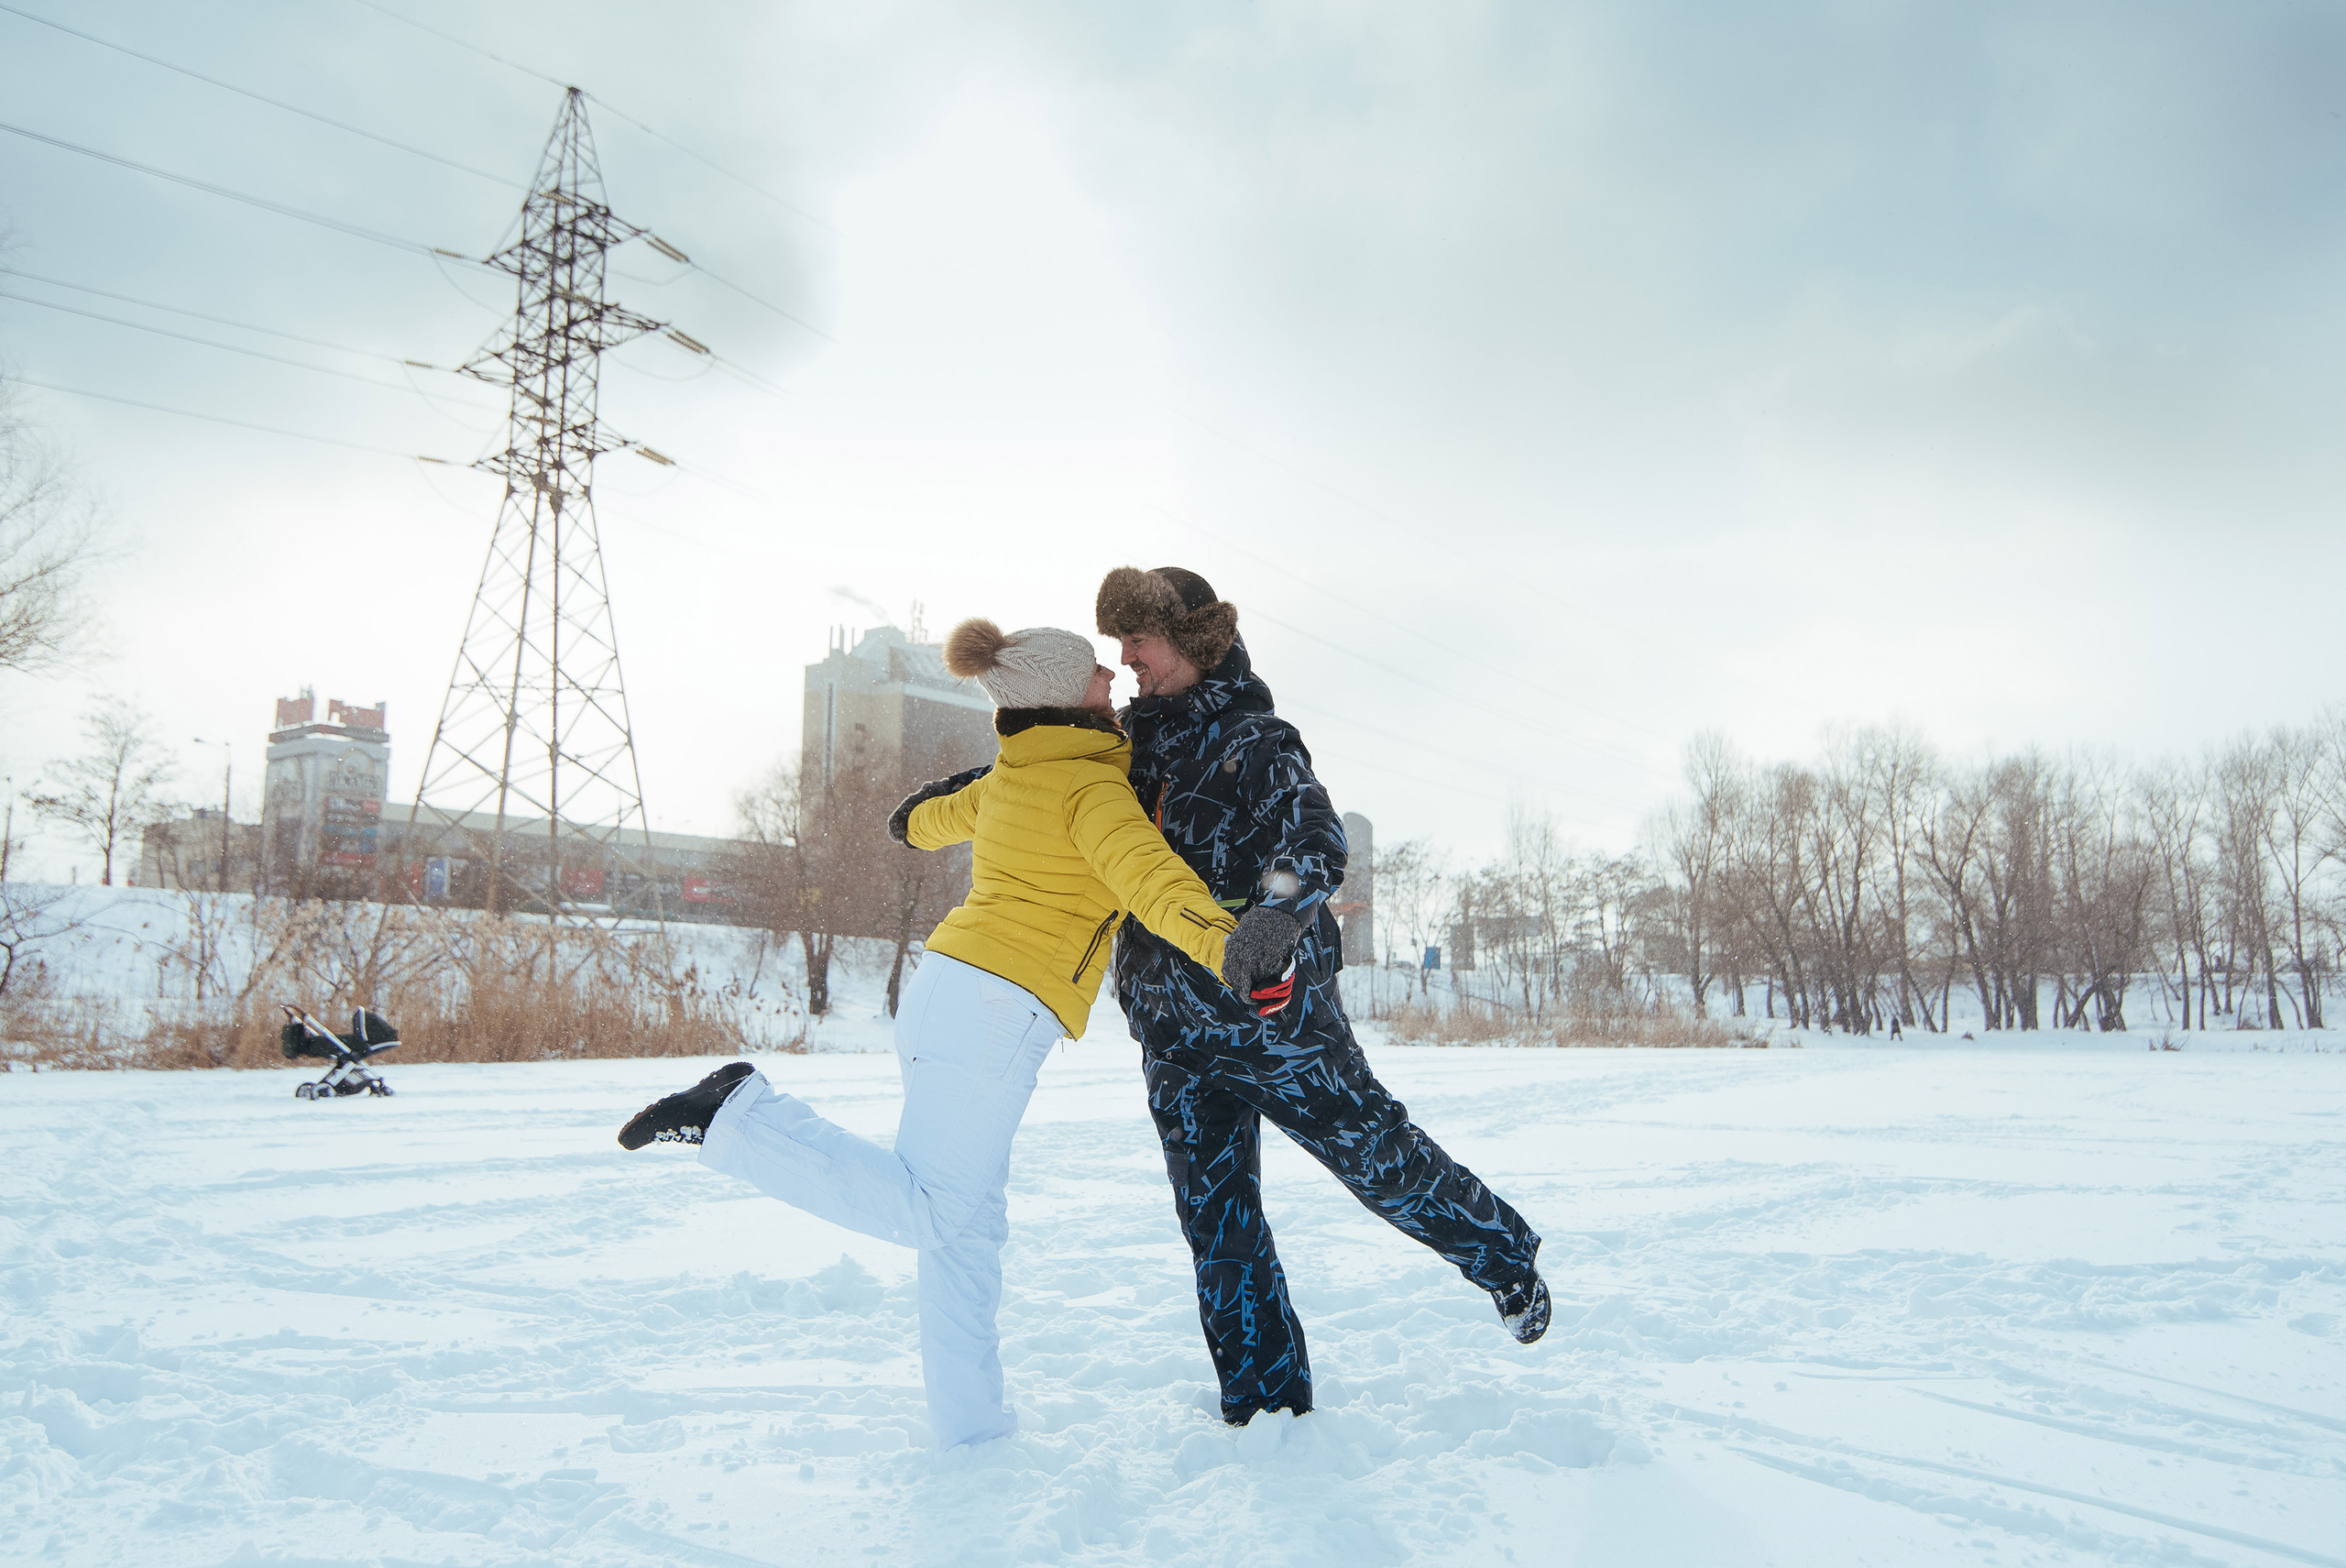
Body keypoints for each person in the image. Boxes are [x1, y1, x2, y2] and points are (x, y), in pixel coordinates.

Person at [616, 619, 1239, 1450]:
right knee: (935, 1210)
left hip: (949, 990)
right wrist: (1233, 947)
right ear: (1064, 696)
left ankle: (970, 1429)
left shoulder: (1019, 774)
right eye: (1095, 670)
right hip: (995, 1008)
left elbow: (929, 819)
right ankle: (736, 1116)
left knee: (966, 1227)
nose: (1110, 676)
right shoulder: (1090, 791)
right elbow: (1154, 883)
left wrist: (916, 816)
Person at [1094, 565, 1550, 1427]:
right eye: (1119, 642)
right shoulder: (1125, 749)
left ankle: (1503, 1256)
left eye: (1138, 640)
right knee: (1217, 1227)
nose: (1126, 660)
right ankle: (1267, 1409)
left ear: (1191, 641)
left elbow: (1314, 835)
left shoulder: (1255, 740)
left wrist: (1277, 911)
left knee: (1378, 1158)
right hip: (1174, 1029)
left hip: (1274, 1019)